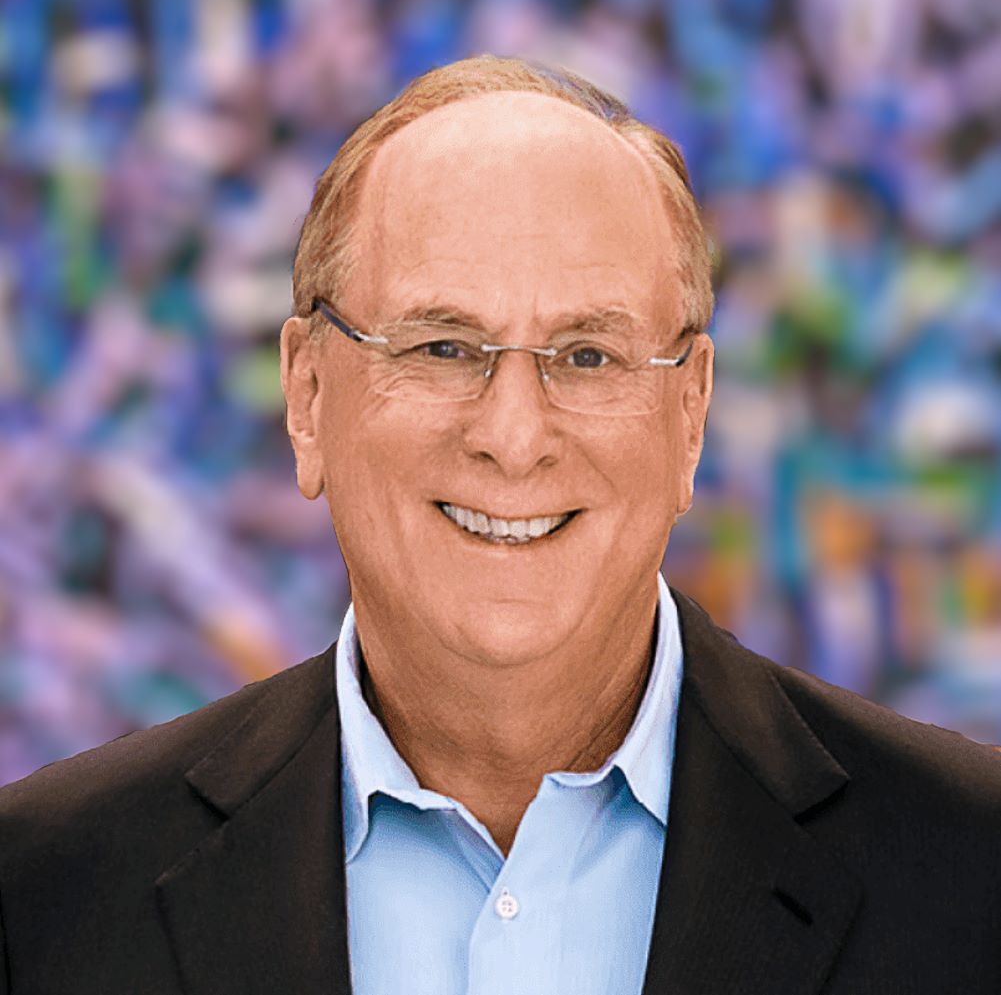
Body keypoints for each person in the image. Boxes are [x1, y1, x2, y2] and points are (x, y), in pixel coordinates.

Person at [1, 55, 1000, 995]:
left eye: (587, 356)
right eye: (441, 346)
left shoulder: (971, 870)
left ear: (690, 413)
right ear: (306, 395)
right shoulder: (40, 892)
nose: (513, 438)